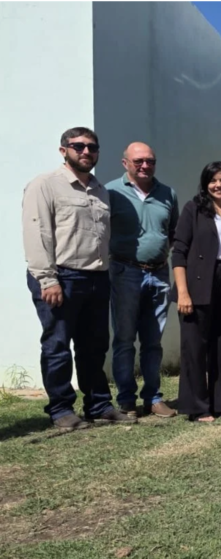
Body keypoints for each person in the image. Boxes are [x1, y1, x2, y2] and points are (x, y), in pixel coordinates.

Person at [22, 127, 136, 430]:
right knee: (58, 345)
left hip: (97, 276)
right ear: (64, 150)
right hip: (61, 276)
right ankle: (61, 409)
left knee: (94, 346)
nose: (86, 152)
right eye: (78, 146)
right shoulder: (45, 185)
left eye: (92, 147)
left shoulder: (100, 190)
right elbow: (38, 234)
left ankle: (98, 405)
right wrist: (48, 279)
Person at [106, 142, 179, 418]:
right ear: (125, 163)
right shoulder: (111, 192)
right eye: (139, 161)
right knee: (125, 339)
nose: (145, 166)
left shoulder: (167, 193)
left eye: (150, 161)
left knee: (153, 341)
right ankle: (126, 400)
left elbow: (172, 231)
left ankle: (154, 398)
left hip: (159, 273)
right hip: (125, 273)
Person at [172, 162, 221, 422]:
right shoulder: (194, 209)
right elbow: (179, 252)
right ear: (205, 185)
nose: (218, 185)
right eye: (213, 180)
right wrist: (183, 292)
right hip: (197, 282)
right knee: (195, 346)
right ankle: (197, 407)